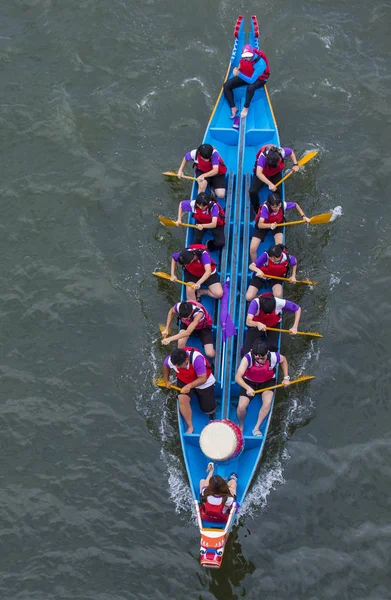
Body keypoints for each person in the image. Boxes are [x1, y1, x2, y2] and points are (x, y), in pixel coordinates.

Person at [235, 340, 290, 436]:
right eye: (257, 358)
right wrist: (247, 388)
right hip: (250, 382)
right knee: (241, 406)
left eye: (263, 358)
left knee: (267, 403)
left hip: (267, 382)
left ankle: (257, 428)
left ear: (267, 353)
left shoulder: (273, 356)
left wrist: (286, 377)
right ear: (253, 353)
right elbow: (238, 377)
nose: (260, 361)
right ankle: (240, 425)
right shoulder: (247, 358)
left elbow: (284, 360)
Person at [163, 347, 216, 434]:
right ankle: (190, 426)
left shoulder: (197, 359)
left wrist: (189, 386)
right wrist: (166, 380)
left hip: (203, 381)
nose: (176, 367)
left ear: (186, 360)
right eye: (175, 366)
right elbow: (166, 366)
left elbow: (203, 379)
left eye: (179, 366)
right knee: (182, 399)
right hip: (184, 380)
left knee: (209, 410)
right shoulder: (171, 360)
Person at [250, 192, 310, 262]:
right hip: (264, 226)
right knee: (252, 248)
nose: (277, 208)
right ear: (270, 204)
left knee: (280, 247)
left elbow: (296, 205)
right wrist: (270, 225)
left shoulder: (282, 205)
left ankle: (279, 263)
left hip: (277, 225)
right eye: (274, 207)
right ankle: (255, 266)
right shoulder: (265, 208)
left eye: (278, 206)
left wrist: (303, 216)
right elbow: (260, 224)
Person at [223, 44, 270, 119]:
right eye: (245, 56)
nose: (247, 58)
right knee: (226, 85)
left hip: (258, 79)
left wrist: (238, 74)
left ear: (252, 54)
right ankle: (233, 107)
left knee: (250, 87)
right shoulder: (244, 58)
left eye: (249, 56)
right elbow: (241, 63)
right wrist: (238, 69)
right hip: (247, 74)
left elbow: (251, 81)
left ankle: (246, 108)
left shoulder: (260, 64)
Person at [249, 144, 300, 213]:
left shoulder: (281, 152)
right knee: (252, 192)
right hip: (263, 174)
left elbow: (290, 152)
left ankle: (276, 208)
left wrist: (295, 164)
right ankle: (257, 209)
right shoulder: (263, 157)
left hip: (275, 173)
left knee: (278, 191)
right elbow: (259, 173)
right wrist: (270, 184)